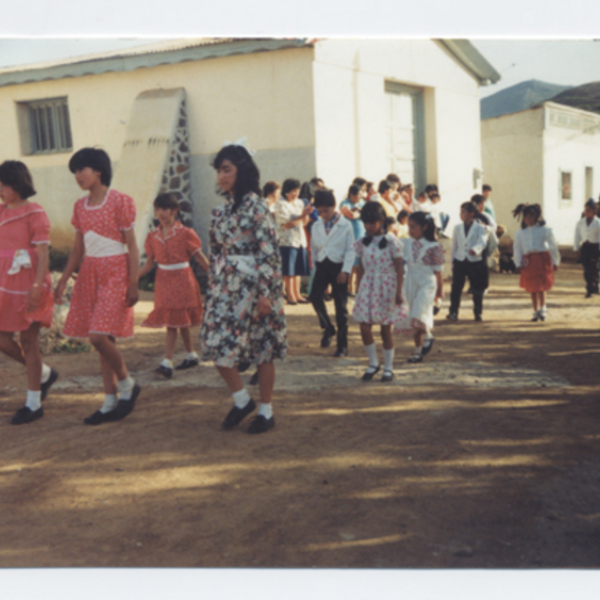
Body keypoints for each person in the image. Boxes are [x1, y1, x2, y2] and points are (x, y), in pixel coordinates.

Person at [200, 143, 287, 434]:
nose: (222, 176)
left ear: (242, 171)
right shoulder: (221, 211)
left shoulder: (257, 206)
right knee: (216, 343)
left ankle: (266, 410)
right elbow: (215, 252)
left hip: (254, 287)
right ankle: (241, 400)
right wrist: (212, 286)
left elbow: (269, 252)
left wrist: (267, 293)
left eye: (228, 170)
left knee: (262, 348)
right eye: (219, 170)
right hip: (225, 288)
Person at [55, 148, 141, 425]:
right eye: (75, 171)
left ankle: (128, 383)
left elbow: (132, 246)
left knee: (97, 336)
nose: (78, 176)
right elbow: (78, 250)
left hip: (116, 270)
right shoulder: (80, 207)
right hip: (91, 273)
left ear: (99, 171)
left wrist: (134, 282)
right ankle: (109, 401)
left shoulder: (119, 201)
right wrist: (64, 279)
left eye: (83, 169)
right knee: (104, 341)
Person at [0, 161, 57, 424]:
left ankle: (33, 403)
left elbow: (43, 253)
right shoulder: (1, 213)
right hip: (5, 283)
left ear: (17, 183)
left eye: (3, 184)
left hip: (30, 282)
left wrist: (37, 286)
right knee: (2, 339)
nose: (0, 190)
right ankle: (44, 372)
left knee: (28, 341)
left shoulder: (35, 212)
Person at [138, 193, 209, 377]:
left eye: (166, 209)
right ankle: (192, 354)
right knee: (179, 320)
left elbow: (199, 256)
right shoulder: (152, 236)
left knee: (172, 321)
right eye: (158, 209)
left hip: (183, 280)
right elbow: (149, 262)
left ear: (174, 211)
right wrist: (133, 277)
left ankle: (167, 362)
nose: (162, 213)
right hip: (163, 280)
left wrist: (214, 275)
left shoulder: (186, 233)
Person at [352, 202, 404, 382]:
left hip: (386, 287)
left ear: (382, 221)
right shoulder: (361, 243)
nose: (369, 226)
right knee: (364, 326)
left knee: (385, 329)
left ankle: (388, 367)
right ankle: (373, 363)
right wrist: (358, 288)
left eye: (373, 223)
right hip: (368, 286)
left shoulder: (392, 241)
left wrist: (399, 291)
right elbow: (360, 268)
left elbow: (399, 268)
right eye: (366, 223)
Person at [309, 188, 355, 357]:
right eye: (319, 212)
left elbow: (351, 249)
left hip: (339, 268)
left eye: (326, 211)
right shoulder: (316, 225)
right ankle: (328, 327)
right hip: (322, 264)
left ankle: (342, 346)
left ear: (333, 207)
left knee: (340, 307)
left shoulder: (346, 225)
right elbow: (314, 248)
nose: (323, 215)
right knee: (314, 296)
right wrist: (315, 267)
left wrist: (346, 271)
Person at [395, 212, 445, 362]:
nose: (410, 230)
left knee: (418, 313)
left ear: (424, 227)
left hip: (427, 283)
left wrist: (440, 290)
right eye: (409, 227)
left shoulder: (434, 246)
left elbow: (438, 271)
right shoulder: (406, 243)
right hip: (410, 282)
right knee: (412, 317)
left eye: (413, 227)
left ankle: (422, 345)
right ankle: (421, 346)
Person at [512, 203, 560, 322]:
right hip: (528, 261)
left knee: (541, 286)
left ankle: (543, 308)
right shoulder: (520, 233)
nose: (528, 219)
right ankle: (535, 310)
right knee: (531, 287)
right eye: (526, 217)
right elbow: (517, 249)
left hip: (542, 259)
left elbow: (553, 245)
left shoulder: (545, 230)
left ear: (537, 217)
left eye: (531, 216)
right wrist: (517, 263)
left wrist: (555, 261)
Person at [447, 202, 488, 322]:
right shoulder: (457, 228)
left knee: (477, 288)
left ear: (472, 214)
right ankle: (453, 312)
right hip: (460, 260)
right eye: (460, 212)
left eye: (463, 212)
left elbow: (482, 242)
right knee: (456, 288)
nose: (461, 214)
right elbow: (454, 246)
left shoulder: (480, 228)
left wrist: (475, 250)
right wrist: (452, 262)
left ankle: (477, 312)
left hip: (474, 261)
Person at [275, 178, 312, 305]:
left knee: (298, 270)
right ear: (286, 191)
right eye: (293, 191)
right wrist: (302, 216)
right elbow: (286, 224)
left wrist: (306, 214)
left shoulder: (300, 203)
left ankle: (298, 294)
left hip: (300, 239)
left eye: (297, 191)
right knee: (289, 271)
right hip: (287, 241)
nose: (295, 194)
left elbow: (304, 223)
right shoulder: (280, 204)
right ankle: (290, 295)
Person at [340, 184, 366, 294]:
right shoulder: (344, 203)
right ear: (352, 194)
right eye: (359, 194)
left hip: (362, 234)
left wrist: (358, 212)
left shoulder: (362, 203)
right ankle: (349, 288)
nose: (361, 196)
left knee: (360, 263)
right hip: (350, 236)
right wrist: (361, 212)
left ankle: (358, 287)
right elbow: (350, 215)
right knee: (350, 262)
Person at [574, 199, 600, 298]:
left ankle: (592, 288)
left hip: (595, 247)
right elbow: (576, 236)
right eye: (586, 210)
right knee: (587, 269)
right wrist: (576, 248)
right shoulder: (580, 223)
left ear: (595, 211)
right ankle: (591, 287)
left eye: (589, 210)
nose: (587, 212)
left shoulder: (598, 223)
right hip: (585, 247)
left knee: (594, 268)